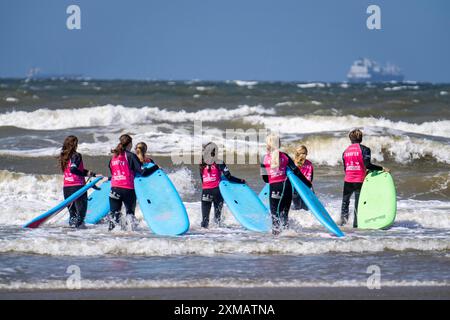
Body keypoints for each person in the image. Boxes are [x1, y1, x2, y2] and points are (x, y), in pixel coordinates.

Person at [261, 134, 312, 235]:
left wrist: (273, 175)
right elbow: (296, 171)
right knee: (284, 216)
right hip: (287, 187)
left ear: (268, 145)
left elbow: (265, 179)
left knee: (275, 217)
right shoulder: (284, 156)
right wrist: (307, 183)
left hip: (274, 188)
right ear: (279, 144)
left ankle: (277, 243)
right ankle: (288, 238)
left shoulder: (264, 159)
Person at [108, 134, 159, 231]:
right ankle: (131, 236)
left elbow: (112, 171)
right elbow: (143, 172)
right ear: (130, 144)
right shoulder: (131, 156)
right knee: (130, 215)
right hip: (128, 190)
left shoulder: (114, 157)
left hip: (114, 189)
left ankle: (110, 238)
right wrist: (155, 167)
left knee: (114, 216)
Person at [341, 129, 389, 228]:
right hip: (359, 181)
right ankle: (356, 226)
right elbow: (367, 165)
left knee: (345, 203)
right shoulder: (365, 149)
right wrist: (381, 168)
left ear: (350, 139)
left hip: (348, 180)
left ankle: (343, 224)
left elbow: (346, 168)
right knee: (358, 205)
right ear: (361, 138)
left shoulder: (345, 151)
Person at [200, 142, 245, 228]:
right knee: (217, 219)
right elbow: (228, 176)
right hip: (217, 191)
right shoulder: (219, 162)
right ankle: (218, 236)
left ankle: (203, 237)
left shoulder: (202, 163)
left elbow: (203, 180)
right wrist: (241, 181)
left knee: (204, 221)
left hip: (205, 192)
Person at [58, 135, 96, 228]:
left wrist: (91, 173)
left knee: (72, 215)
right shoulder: (76, 155)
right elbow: (73, 169)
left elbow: (74, 169)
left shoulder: (64, 156)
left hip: (67, 187)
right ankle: (79, 237)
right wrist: (84, 174)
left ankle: (72, 235)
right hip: (78, 187)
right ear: (74, 144)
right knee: (81, 216)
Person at [292, 145, 314, 211]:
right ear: (298, 154)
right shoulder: (292, 164)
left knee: (303, 208)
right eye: (304, 153)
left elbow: (310, 179)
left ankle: (303, 220)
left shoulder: (309, 164)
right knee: (299, 208)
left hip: (304, 189)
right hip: (297, 189)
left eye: (305, 153)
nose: (305, 155)